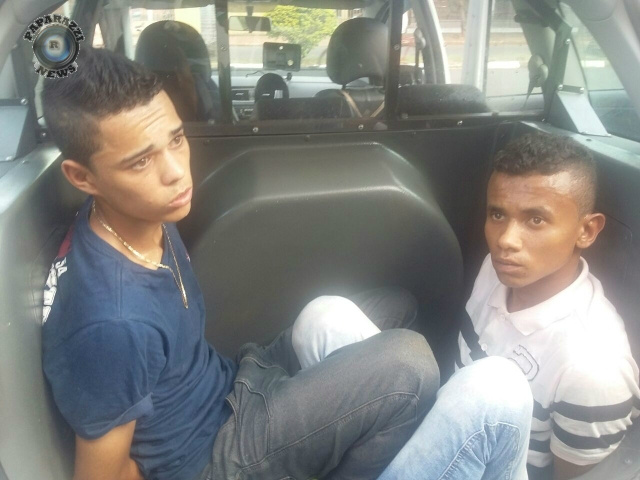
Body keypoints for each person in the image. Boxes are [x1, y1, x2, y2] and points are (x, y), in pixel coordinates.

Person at [381, 133, 640, 480]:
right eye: (498, 214)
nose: (505, 240)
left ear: (587, 230)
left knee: (494, 384)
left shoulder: (594, 367)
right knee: (329, 317)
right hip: (442, 424)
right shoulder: (496, 270)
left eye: (535, 220)